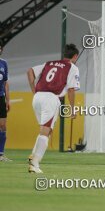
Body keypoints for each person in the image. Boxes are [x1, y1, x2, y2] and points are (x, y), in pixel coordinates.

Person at [27, 44, 80, 173]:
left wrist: (34, 91)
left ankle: (32, 156)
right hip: (51, 99)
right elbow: (71, 90)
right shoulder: (73, 67)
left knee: (46, 130)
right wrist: (72, 109)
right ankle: (34, 164)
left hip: (37, 98)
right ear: (75, 56)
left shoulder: (49, 63)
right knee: (45, 131)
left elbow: (30, 72)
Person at [0, 44, 11, 162]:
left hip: (0, 98)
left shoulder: (4, 63)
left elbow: (6, 83)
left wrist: (8, 100)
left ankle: (1, 154)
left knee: (3, 126)